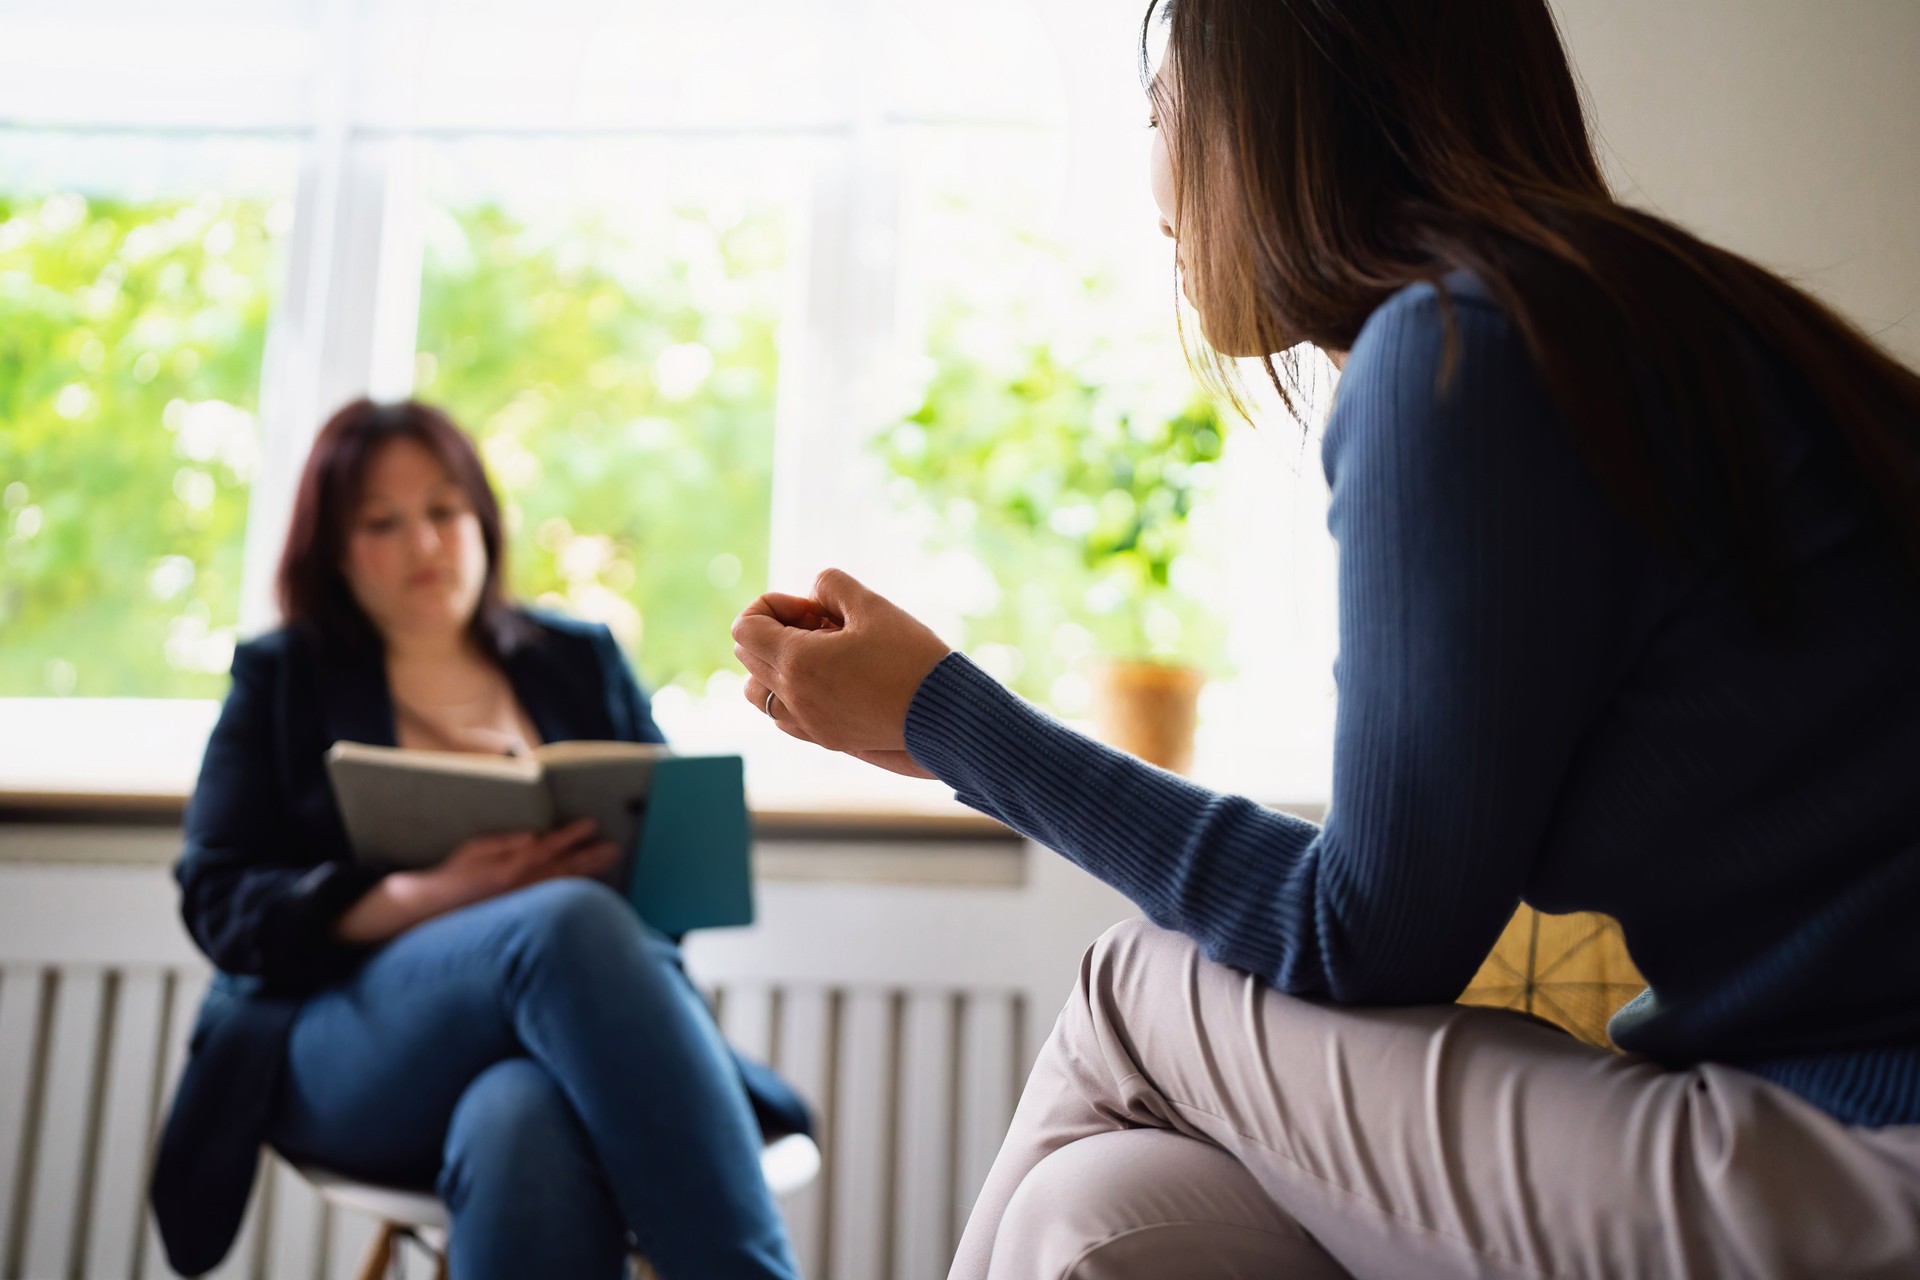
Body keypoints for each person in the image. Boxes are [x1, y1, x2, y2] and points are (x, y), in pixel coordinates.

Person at [730, 2, 1920, 1276]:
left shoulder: (1466, 349)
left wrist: (940, 714)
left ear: (1283, 112)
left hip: (1854, 1149)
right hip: (1815, 1118)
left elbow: (1366, 934)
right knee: (1111, 1208)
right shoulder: (1644, 311)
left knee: (1133, 981)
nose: (1159, 189)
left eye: (1161, 113)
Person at [151, 399, 808, 1280]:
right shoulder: (284, 677)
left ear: (484, 520)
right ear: (334, 549)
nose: (425, 544)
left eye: (444, 510)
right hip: (344, 1040)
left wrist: (615, 857)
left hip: (554, 1041)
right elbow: (220, 898)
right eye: (383, 522)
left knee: (521, 1114)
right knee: (563, 922)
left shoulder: (576, 658)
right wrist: (429, 894)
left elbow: (680, 869)